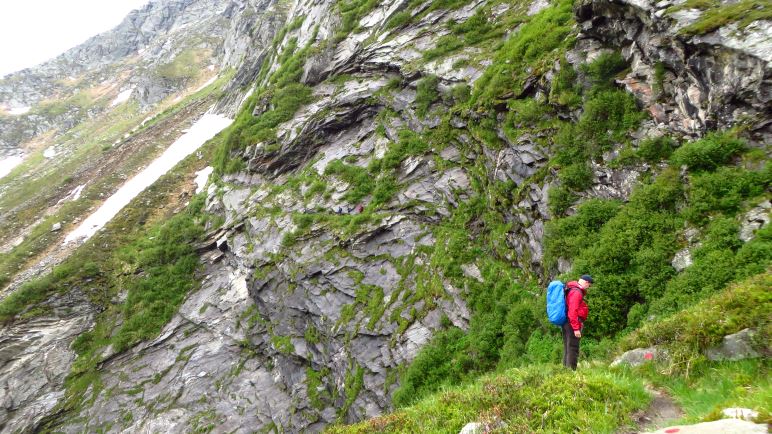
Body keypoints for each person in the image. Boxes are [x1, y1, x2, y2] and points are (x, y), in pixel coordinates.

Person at [562, 274, 592, 370]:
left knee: (568, 347)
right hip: (573, 323)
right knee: (573, 348)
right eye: (589, 285)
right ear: (586, 282)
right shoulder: (577, 292)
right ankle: (571, 372)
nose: (589, 287)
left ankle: (565, 371)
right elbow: (573, 311)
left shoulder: (572, 289)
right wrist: (576, 328)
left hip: (567, 322)